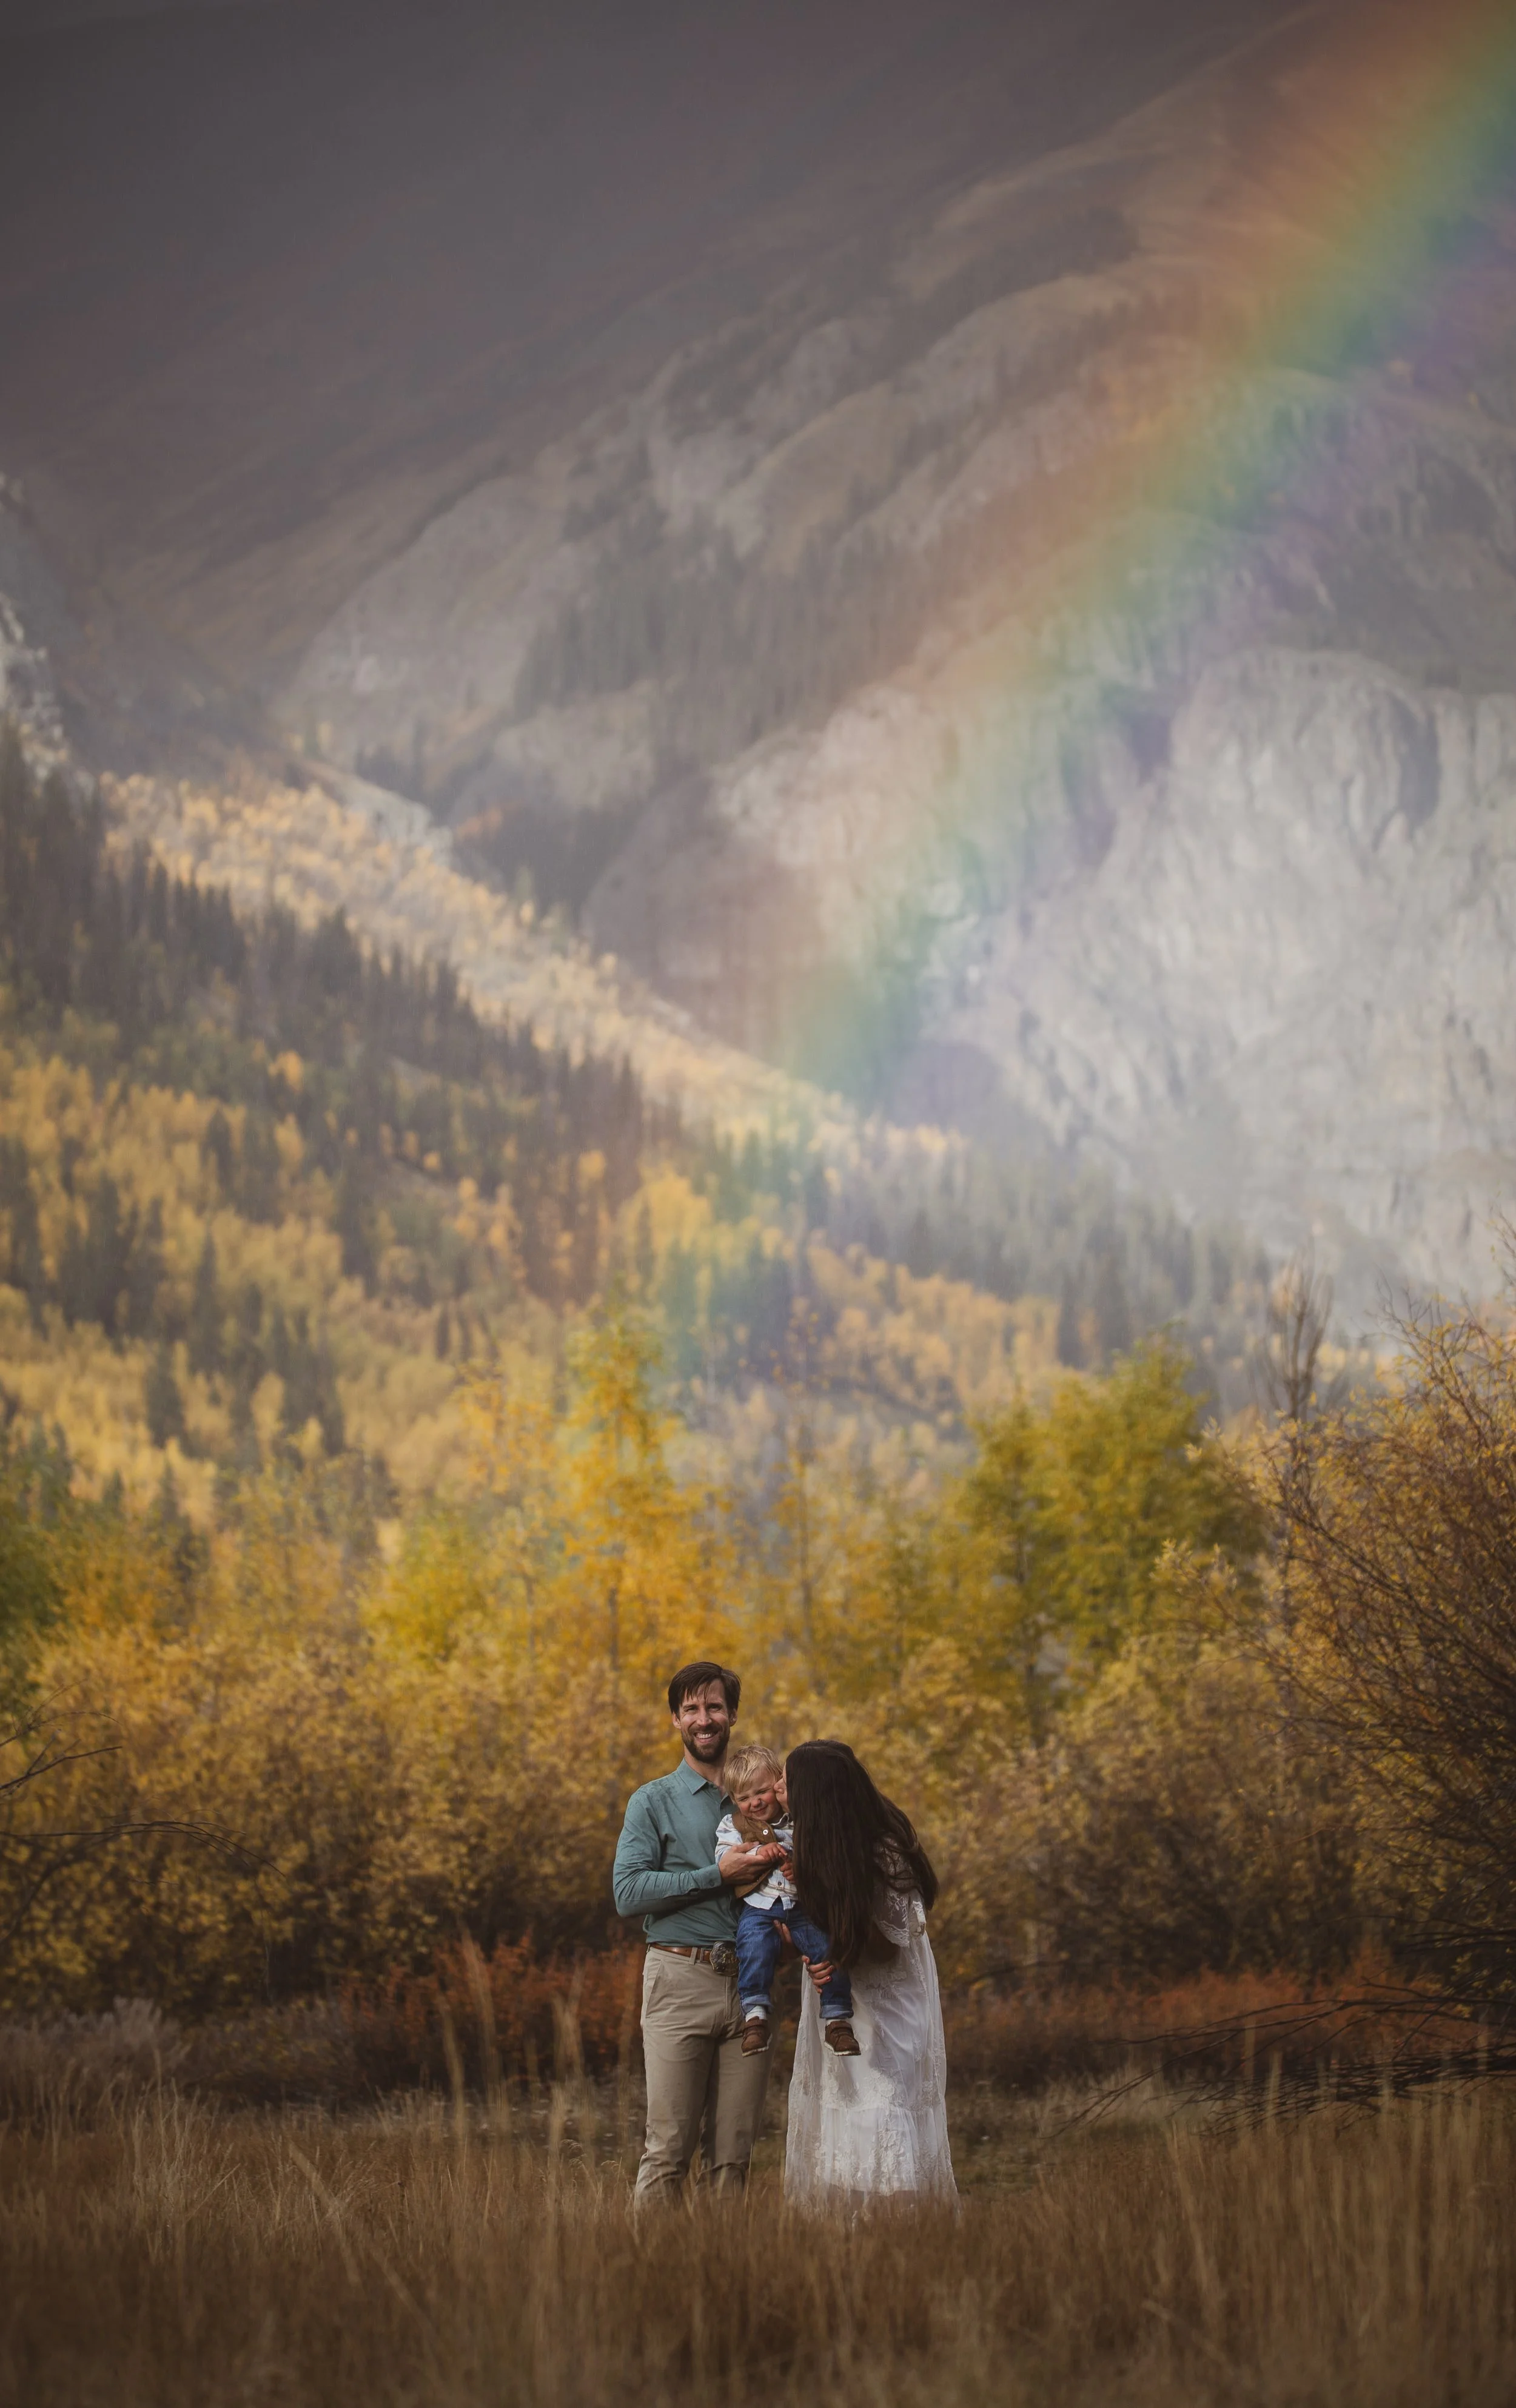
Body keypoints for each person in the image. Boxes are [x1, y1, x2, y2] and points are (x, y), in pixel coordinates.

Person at [611, 1660, 781, 2205]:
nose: (704, 1719)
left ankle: (722, 2282)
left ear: (731, 1714)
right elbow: (629, 1895)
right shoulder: (651, 1801)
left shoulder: (761, 1798)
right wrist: (718, 1876)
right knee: (668, 2150)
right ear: (676, 1720)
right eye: (691, 1709)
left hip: (751, 1988)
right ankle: (647, 2282)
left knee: (734, 2158)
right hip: (679, 1980)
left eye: (713, 1707)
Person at [780, 1738, 957, 2209]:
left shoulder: (883, 1851)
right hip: (849, 2005)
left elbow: (888, 1944)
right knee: (848, 2118)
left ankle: (898, 2240)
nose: (781, 1790)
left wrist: (831, 1945)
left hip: (889, 2008)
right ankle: (857, 2251)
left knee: (883, 2112)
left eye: (789, 1782)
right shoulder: (820, 1846)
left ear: (818, 1796)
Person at [714, 1744, 859, 2059]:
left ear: (778, 1783)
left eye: (762, 1792)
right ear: (734, 1801)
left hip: (803, 1908)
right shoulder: (734, 1825)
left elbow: (821, 1857)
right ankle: (754, 2014)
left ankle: (838, 2018)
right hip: (760, 1907)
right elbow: (724, 1856)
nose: (754, 1803)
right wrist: (756, 1853)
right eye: (744, 1798)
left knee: (827, 1950)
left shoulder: (801, 1820)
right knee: (752, 1946)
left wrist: (802, 1869)